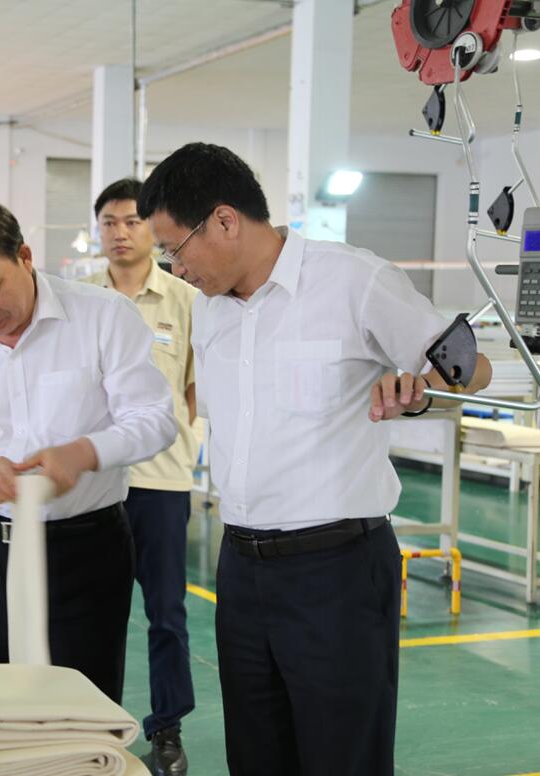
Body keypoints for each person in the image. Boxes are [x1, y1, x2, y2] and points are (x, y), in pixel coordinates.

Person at [137, 142, 492, 776]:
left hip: (336, 570)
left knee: (342, 758)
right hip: (240, 569)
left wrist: (418, 388)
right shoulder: (210, 311)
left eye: (175, 249)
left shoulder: (354, 280)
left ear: (224, 220)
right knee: (257, 755)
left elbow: (472, 366)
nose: (175, 268)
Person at [0, 199, 178, 704]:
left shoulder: (101, 317)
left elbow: (154, 419)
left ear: (25, 257)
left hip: (87, 548)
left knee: (84, 705)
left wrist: (86, 452)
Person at [83, 177, 197, 775]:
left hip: (161, 484)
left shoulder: (186, 300)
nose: (120, 232)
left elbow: (197, 389)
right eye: (109, 222)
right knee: (90, 614)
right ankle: (86, 727)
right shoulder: (79, 299)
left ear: (152, 227)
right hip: (93, 485)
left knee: (166, 614)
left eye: (131, 221)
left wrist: (185, 446)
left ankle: (168, 729)